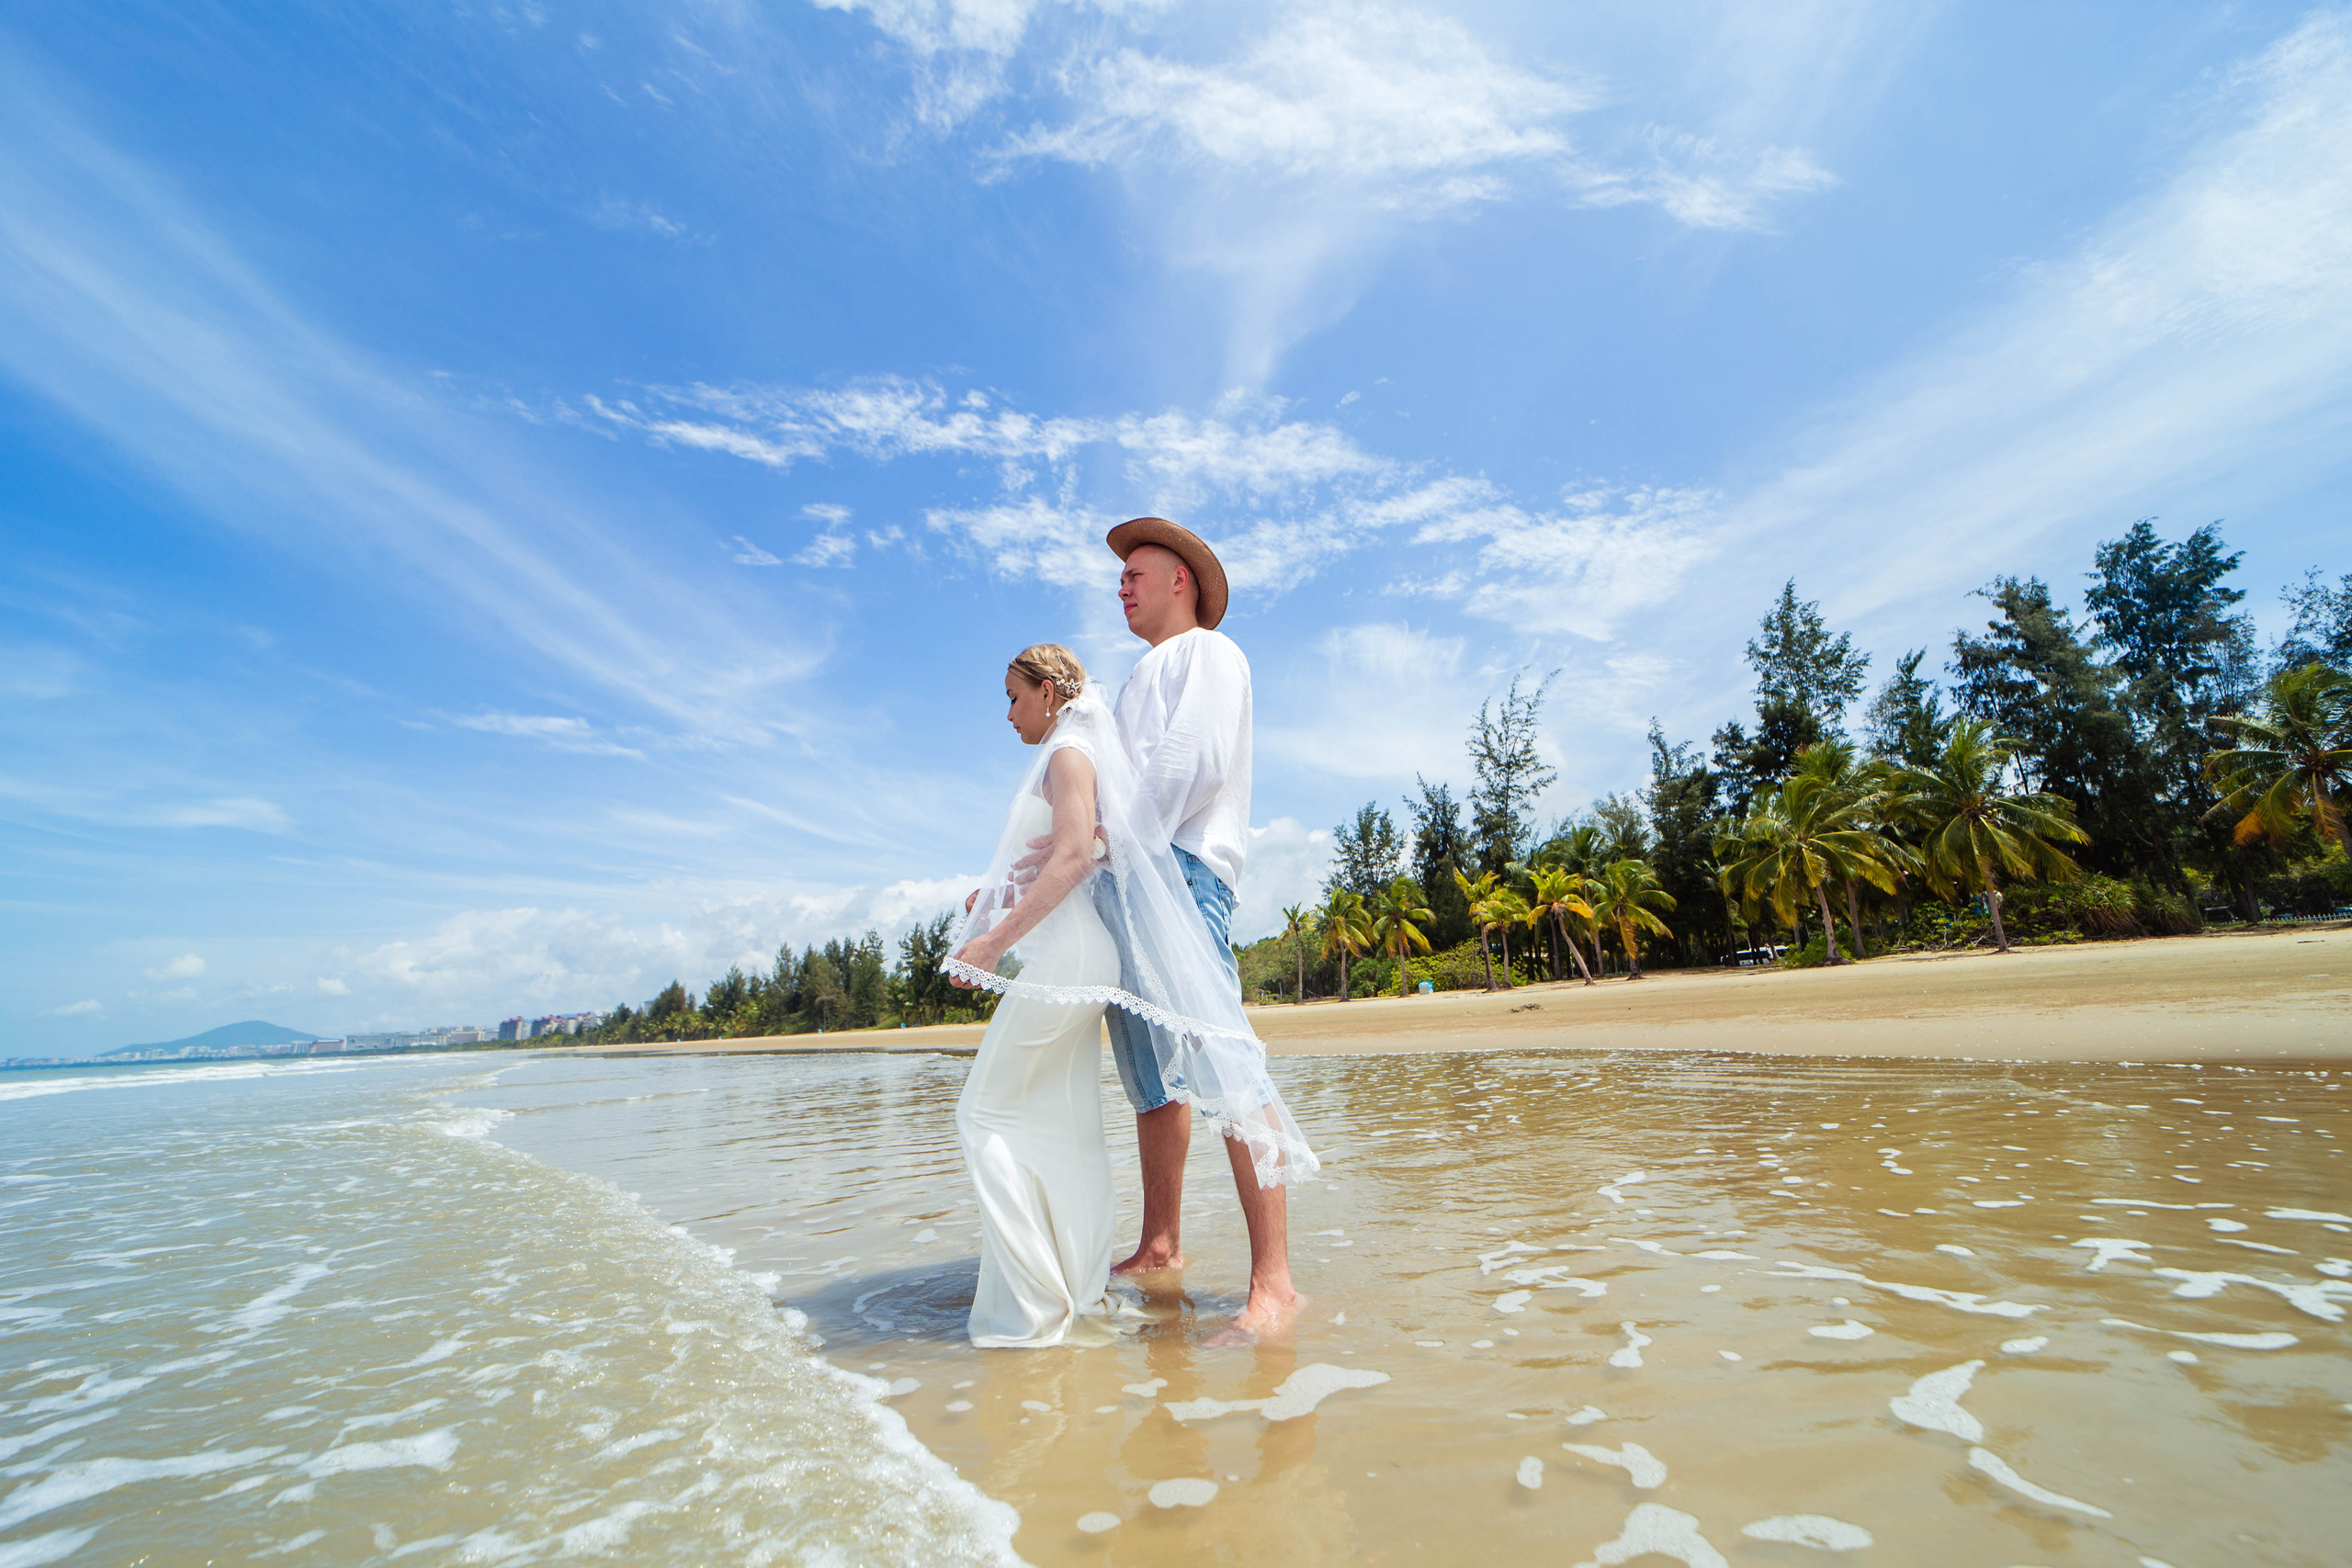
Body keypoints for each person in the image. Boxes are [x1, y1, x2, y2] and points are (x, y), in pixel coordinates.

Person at [1012, 516, 1305, 1340]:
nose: (1121, 584)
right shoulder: (1135, 678)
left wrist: (1113, 840)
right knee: (1150, 1078)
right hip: (1126, 879)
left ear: (1181, 579)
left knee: (1226, 1061)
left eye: (1135, 572)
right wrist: (1050, 858)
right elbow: (1105, 790)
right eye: (1120, 576)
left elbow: (1192, 763)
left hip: (1178, 871)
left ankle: (1275, 1284)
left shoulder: (1212, 652)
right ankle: (1160, 1243)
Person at [946, 645, 1119, 1348]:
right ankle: (1078, 1287)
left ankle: (1033, 1307)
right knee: (1063, 1123)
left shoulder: (1066, 754)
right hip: (1079, 958)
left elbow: (1077, 856)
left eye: (1014, 696)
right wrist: (987, 904)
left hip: (1071, 960)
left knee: (980, 1111)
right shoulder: (1074, 754)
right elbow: (1075, 850)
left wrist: (990, 944)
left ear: (1048, 693)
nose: (1008, 711)